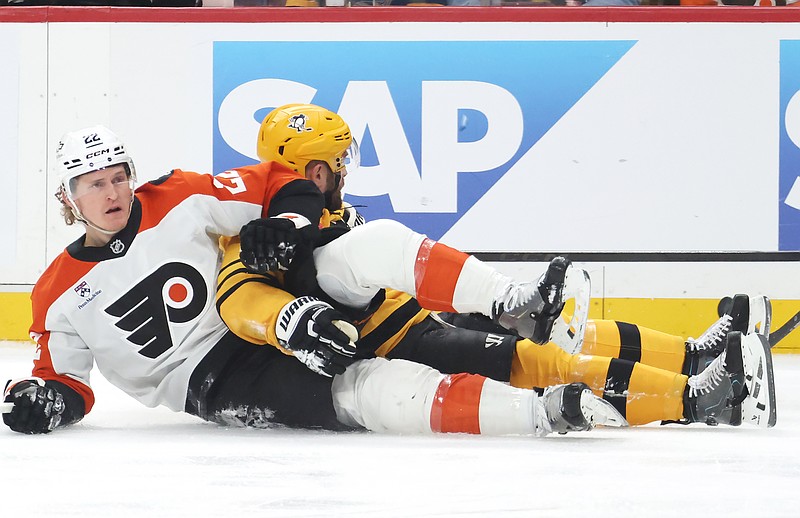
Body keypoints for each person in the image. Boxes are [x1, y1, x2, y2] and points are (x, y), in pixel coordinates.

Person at [2, 125, 627, 437]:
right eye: (93, 184)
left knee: (370, 246)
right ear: (68, 198)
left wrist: (291, 222)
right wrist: (48, 402)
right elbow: (66, 381)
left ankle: (517, 301)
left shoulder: (181, 196)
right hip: (219, 381)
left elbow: (279, 183)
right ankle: (539, 414)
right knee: (367, 392)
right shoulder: (56, 292)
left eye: (116, 176)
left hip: (268, 307)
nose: (111, 192)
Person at [217, 103, 777, 429]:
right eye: (339, 162)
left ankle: (695, 356)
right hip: (398, 346)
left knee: (573, 334)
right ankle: (702, 399)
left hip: (418, 321)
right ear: (315, 172)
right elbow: (249, 299)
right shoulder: (264, 240)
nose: (346, 171)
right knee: (552, 361)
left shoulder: (316, 212)